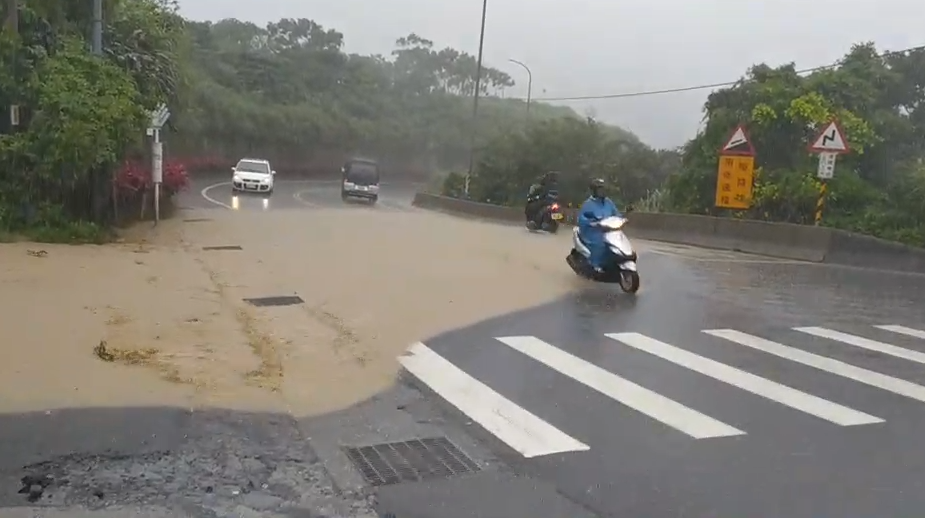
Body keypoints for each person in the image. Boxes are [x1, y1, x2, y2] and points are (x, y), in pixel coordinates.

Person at [577, 178, 621, 272]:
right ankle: (595, 265)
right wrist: (591, 223)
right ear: (594, 191)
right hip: (592, 232)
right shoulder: (588, 204)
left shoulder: (609, 202)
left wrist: (621, 219)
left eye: (604, 190)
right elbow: (582, 219)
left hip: (608, 230)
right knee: (600, 244)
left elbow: (616, 213)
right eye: (600, 190)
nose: (602, 192)